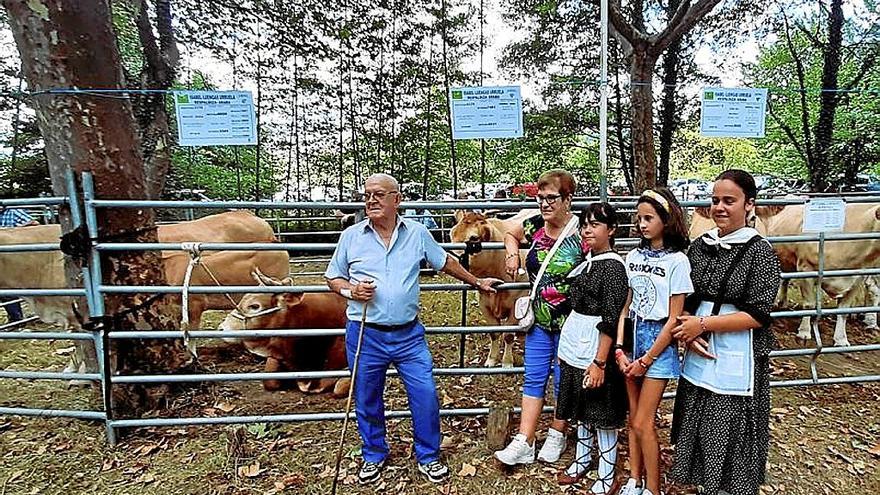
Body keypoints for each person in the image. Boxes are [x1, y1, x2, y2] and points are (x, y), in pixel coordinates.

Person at [324, 173, 501, 485]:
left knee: (425, 393)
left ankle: (429, 455)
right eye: (367, 195)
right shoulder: (351, 236)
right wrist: (351, 291)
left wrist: (477, 281)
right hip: (366, 333)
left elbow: (444, 261)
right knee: (366, 397)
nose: (371, 200)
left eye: (379, 194)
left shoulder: (417, 233)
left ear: (397, 199)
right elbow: (333, 277)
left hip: (408, 334)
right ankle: (373, 454)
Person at [670, 170, 781, 495]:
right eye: (715, 200)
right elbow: (684, 295)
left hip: (736, 350)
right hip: (698, 345)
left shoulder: (760, 253)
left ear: (749, 204)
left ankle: (730, 487)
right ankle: (707, 482)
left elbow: (759, 313)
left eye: (728, 201)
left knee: (728, 421)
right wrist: (687, 326)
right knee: (701, 416)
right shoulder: (700, 246)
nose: (719, 207)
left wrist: (701, 326)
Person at [494, 169, 582, 466]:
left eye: (551, 198)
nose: (544, 204)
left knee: (562, 380)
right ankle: (525, 440)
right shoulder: (535, 227)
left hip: (571, 322)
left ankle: (558, 433)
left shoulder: (582, 232)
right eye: (540, 198)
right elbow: (510, 233)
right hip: (539, 320)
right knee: (533, 377)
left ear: (568, 199)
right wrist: (511, 254)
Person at [615, 188, 692, 495]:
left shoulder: (678, 261)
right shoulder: (632, 257)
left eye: (649, 218)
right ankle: (635, 478)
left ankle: (653, 487)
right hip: (633, 335)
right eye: (639, 218)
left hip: (658, 343)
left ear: (666, 219)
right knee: (633, 417)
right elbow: (626, 304)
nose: (642, 224)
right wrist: (620, 348)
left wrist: (647, 358)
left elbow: (674, 318)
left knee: (645, 420)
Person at [554, 203, 628, 494]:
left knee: (601, 409)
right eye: (585, 223)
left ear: (611, 230)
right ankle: (583, 458)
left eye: (595, 224)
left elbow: (611, 319)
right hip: (576, 342)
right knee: (582, 406)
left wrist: (600, 362)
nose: (587, 229)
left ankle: (607, 472)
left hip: (596, 347)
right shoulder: (588, 262)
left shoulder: (613, 269)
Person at [0, 207, 38, 323]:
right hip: (3, 259)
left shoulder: (13, 212)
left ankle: (19, 318)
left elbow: (34, 224)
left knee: (9, 287)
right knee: (4, 288)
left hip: (18, 256)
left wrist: (13, 232)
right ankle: (16, 318)